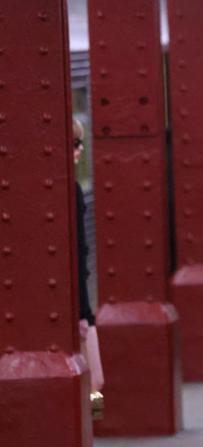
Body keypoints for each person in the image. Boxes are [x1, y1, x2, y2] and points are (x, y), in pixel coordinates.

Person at [73, 119, 104, 418]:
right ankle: (87, 427)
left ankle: (89, 425)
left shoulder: (73, 189)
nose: (79, 149)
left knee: (95, 380)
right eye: (73, 143)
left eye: (80, 143)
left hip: (80, 303)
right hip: (77, 306)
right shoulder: (69, 190)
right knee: (94, 380)